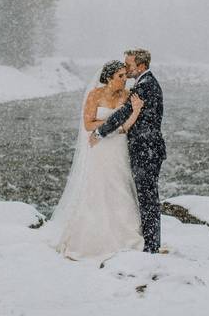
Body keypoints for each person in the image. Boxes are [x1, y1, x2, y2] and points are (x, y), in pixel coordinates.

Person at [45, 60, 146, 260]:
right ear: (109, 78)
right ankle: (91, 239)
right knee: (97, 188)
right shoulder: (95, 95)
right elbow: (88, 124)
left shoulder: (127, 96)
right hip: (100, 148)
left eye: (126, 76)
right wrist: (112, 124)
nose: (125, 80)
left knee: (120, 187)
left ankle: (125, 238)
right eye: (120, 76)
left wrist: (133, 113)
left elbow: (129, 124)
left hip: (118, 147)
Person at [90, 48, 166, 253]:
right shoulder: (144, 83)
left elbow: (123, 113)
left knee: (147, 197)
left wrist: (100, 132)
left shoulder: (145, 86)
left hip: (147, 149)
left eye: (129, 65)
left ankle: (151, 246)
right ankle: (151, 243)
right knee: (146, 196)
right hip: (147, 148)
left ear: (141, 66)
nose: (126, 67)